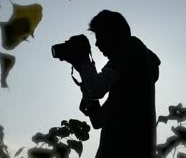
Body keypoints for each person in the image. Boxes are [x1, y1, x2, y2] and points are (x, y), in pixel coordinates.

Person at [66, 10, 161, 158]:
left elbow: (97, 89)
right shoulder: (129, 82)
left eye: (99, 36)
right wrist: (88, 95)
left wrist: (83, 60)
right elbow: (98, 121)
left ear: (112, 33)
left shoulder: (131, 46)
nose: (96, 44)